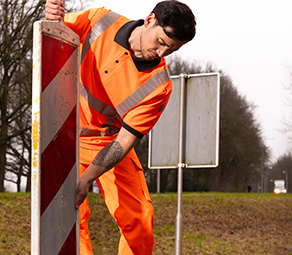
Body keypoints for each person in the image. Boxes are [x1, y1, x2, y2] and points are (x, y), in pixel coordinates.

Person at [45, 1, 196, 254]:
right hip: (65, 137)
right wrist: (52, 17)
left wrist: (86, 180)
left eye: (171, 50)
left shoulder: (160, 86)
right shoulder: (99, 20)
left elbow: (124, 143)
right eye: (160, 42)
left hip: (110, 143)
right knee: (70, 222)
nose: (161, 54)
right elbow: (55, 34)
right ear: (149, 21)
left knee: (139, 222)